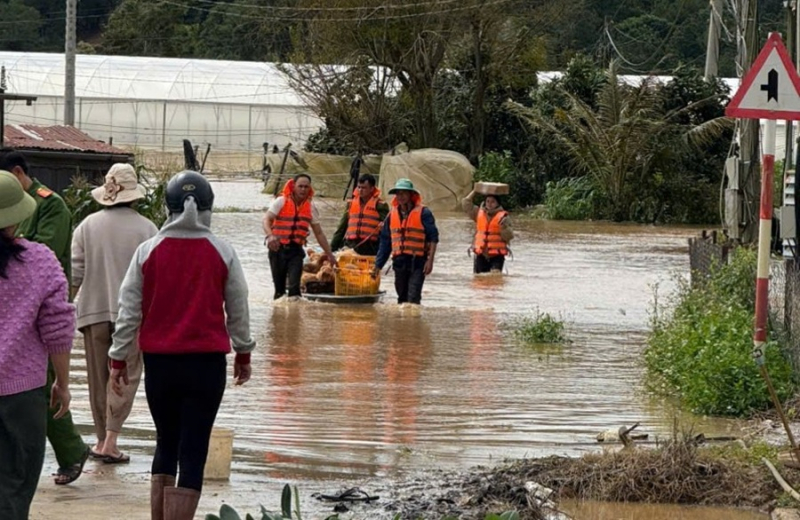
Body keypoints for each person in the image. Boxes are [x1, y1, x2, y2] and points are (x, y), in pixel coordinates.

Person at [109, 170, 255, 520]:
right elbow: (239, 306)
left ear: (168, 207)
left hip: (161, 366)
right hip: (206, 367)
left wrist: (118, 360)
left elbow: (128, 311)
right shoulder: (222, 250)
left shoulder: (148, 251)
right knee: (194, 449)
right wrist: (243, 352)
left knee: (166, 441)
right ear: (209, 207)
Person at [0, 150, 90, 485]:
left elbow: (47, 245)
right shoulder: (37, 262)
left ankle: (70, 451)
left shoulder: (51, 205)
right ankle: (72, 450)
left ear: (20, 173)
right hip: (26, 361)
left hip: (33, 320)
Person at [71, 163, 158, 464]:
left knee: (98, 378)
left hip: (93, 312)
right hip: (132, 317)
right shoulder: (148, 230)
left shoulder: (86, 226)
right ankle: (112, 440)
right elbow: (155, 279)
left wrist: (62, 310)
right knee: (124, 377)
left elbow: (75, 275)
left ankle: (99, 440)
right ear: (134, 195)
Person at [262, 173, 337, 299]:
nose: (303, 189)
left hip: (295, 251)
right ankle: (279, 317)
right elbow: (266, 220)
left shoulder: (311, 208)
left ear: (310, 188)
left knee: (294, 290)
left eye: (306, 187)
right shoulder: (281, 201)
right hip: (277, 250)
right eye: (300, 186)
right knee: (279, 291)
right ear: (294, 187)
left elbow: (319, 233)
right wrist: (270, 236)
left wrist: (330, 255)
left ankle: (295, 315)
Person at [372, 178, 439, 305]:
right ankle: (404, 324)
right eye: (398, 193)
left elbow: (433, 237)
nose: (400, 196)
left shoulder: (424, 213)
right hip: (399, 262)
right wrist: (378, 266)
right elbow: (385, 243)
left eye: (403, 193)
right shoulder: (391, 215)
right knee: (402, 298)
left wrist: (430, 261)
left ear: (411, 195)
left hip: (418, 262)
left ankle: (413, 323)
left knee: (413, 297)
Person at [330, 173, 390, 256]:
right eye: (359, 187)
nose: (360, 190)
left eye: (364, 188)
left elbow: (387, 229)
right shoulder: (351, 204)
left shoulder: (380, 205)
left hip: (370, 246)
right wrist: (331, 250)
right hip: (350, 245)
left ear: (372, 188)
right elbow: (341, 229)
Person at [463, 189, 513, 273]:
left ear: (498, 203)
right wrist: (475, 190)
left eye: (493, 202)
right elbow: (466, 204)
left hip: (497, 255)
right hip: (481, 254)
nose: (489, 204)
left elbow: (509, 236)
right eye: (487, 201)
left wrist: (504, 227)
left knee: (495, 277)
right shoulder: (478, 213)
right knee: (479, 280)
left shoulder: (504, 217)